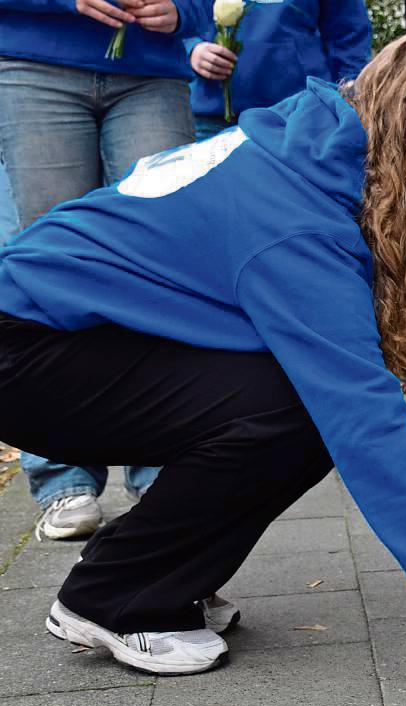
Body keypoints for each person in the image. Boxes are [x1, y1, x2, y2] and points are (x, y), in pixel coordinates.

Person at [0, 30, 406, 700]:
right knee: (296, 408)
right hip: (24, 351)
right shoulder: (300, 221)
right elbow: (367, 424)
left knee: (282, 398)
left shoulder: (316, 151)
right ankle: (115, 598)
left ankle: (156, 577)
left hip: (66, 338)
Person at [0, 0, 213, 539]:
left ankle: (162, 471)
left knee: (163, 272)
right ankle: (61, 477)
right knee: (50, 275)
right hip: (33, 67)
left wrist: (184, 12)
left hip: (152, 73)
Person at [184, 0, 371, 139]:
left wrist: (350, 89)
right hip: (211, 114)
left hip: (298, 114)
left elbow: (348, 32)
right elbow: (175, 11)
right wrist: (191, 49)